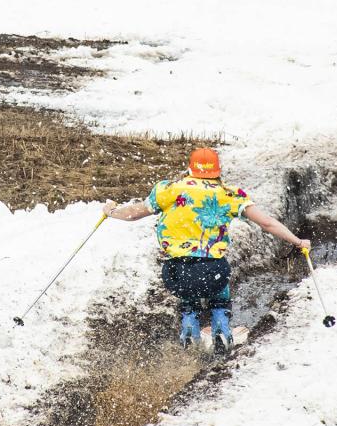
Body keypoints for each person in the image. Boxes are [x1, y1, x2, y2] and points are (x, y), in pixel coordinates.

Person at [101, 147, 309, 357]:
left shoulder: (169, 189)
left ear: (190, 168)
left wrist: (111, 212)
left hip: (175, 271)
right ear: (218, 170)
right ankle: (221, 330)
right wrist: (297, 241)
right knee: (218, 289)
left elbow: (134, 213)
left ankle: (190, 331)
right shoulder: (229, 194)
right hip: (212, 271)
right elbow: (267, 223)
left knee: (189, 296)